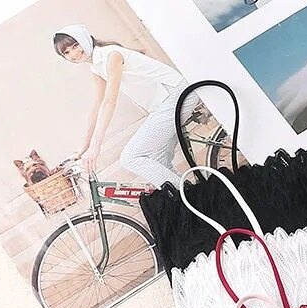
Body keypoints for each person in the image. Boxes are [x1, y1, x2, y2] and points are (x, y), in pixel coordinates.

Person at [53, 24, 198, 188]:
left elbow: (110, 101)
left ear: (85, 40)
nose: (73, 54)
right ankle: (186, 194)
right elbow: (98, 104)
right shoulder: (95, 66)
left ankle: (189, 197)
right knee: (157, 160)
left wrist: (95, 147)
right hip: (163, 103)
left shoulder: (111, 55)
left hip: (176, 95)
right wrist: (84, 146)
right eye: (66, 53)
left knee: (130, 157)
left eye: (75, 45)